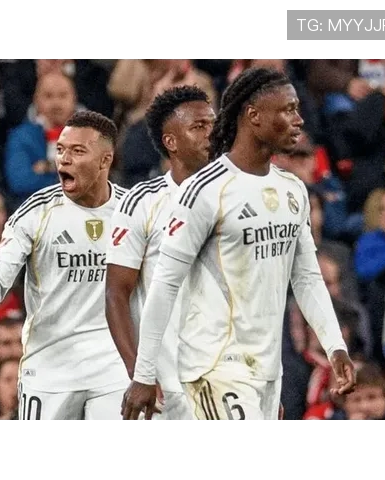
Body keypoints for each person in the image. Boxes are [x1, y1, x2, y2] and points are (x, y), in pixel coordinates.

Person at [122, 67, 357, 420]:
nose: (299, 120)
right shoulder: (204, 191)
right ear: (254, 116)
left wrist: (335, 345)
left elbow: (307, 278)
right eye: (288, 109)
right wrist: (143, 374)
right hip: (215, 365)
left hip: (268, 369)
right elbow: (165, 283)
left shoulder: (293, 190)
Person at [0, 110, 129, 420]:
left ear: (105, 160)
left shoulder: (135, 213)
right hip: (50, 367)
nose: (63, 160)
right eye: (60, 150)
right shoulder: (34, 213)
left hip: (113, 367)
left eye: (78, 151)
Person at [105, 85, 215, 420]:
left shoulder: (241, 199)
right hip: (166, 385)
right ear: (171, 142)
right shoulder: (142, 202)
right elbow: (116, 293)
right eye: (199, 127)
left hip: (228, 380)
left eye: (214, 124)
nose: (212, 134)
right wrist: (139, 373)